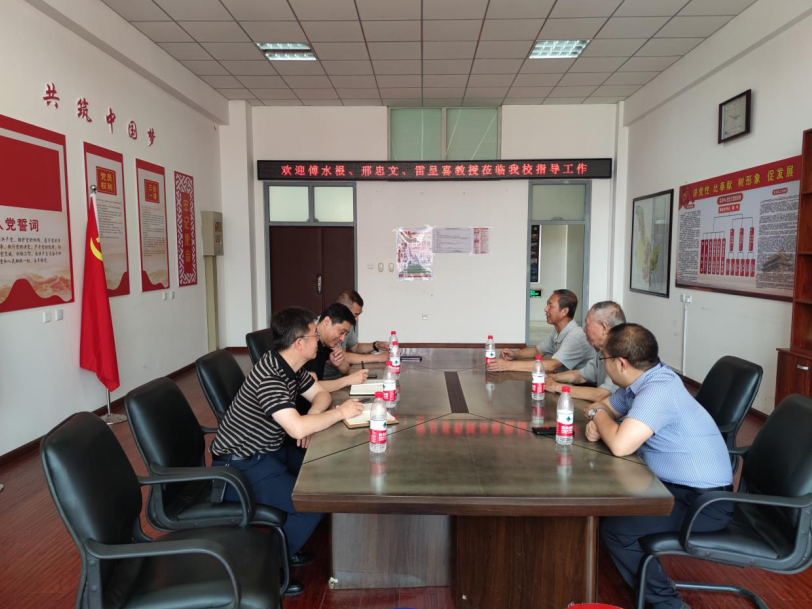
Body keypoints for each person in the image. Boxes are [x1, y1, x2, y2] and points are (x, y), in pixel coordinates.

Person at [210, 306, 365, 585]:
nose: (318, 341)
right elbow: (296, 429)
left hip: (269, 452)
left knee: (326, 465)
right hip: (240, 467)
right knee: (313, 502)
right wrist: (340, 413)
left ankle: (286, 545)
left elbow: (321, 395)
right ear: (299, 343)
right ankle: (268, 572)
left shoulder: (289, 365)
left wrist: (312, 416)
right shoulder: (270, 376)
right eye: (314, 335)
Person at [584, 323, 733, 609]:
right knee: (606, 503)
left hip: (704, 503)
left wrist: (598, 419)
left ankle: (669, 604)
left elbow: (620, 444)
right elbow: (604, 407)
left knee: (615, 531)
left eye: (604, 358)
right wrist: (600, 416)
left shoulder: (658, 390)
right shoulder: (641, 381)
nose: (604, 364)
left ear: (621, 363)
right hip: (673, 487)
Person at [487, 289, 593, 373]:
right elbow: (537, 350)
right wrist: (515, 354)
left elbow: (552, 365)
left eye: (550, 305)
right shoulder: (557, 332)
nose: (545, 309)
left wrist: (507, 365)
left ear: (564, 311)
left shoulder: (576, 335)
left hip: (582, 387)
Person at [545, 300, 626, 402]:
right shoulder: (603, 351)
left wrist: (556, 387)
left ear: (604, 327)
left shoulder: (621, 354)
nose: (584, 329)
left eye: (587, 324)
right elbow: (580, 375)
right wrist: (553, 377)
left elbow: (602, 394)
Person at [304, 302, 370, 392]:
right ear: (326, 322)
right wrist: (349, 380)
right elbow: (311, 387)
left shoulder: (327, 342)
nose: (342, 339)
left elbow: (345, 369)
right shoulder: (309, 343)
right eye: (341, 332)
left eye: (345, 334)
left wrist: (338, 364)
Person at [323, 290, 389, 379]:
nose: (357, 319)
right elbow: (343, 356)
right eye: (355, 315)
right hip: (325, 380)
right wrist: (378, 358)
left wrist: (376, 345)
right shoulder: (326, 326)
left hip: (339, 377)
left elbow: (355, 347)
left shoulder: (347, 325)